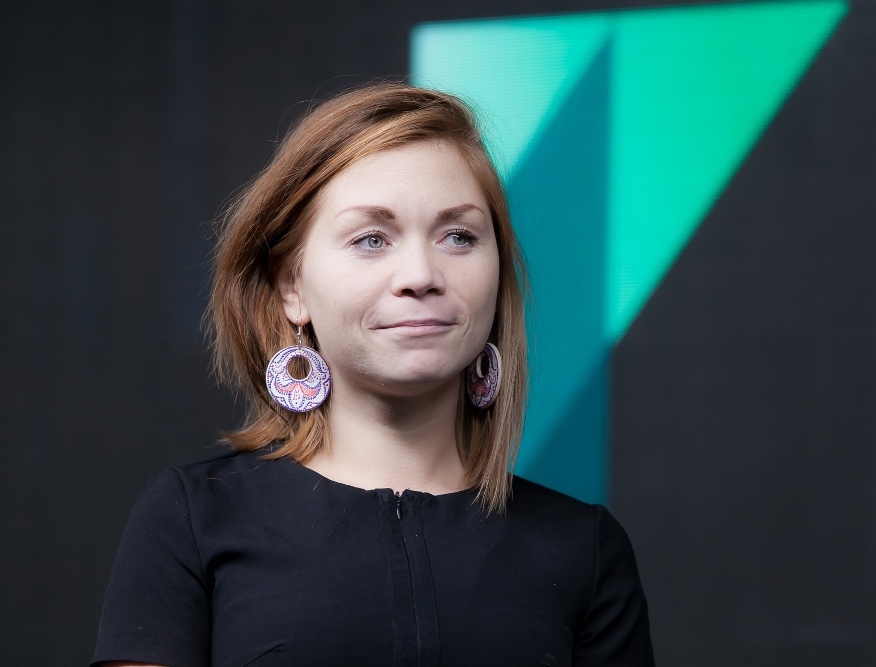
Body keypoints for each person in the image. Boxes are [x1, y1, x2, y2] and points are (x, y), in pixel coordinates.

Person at [92, 84, 655, 667]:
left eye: (458, 236)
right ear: (292, 287)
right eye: (371, 240)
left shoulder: (584, 550)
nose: (420, 274)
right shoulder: (192, 517)